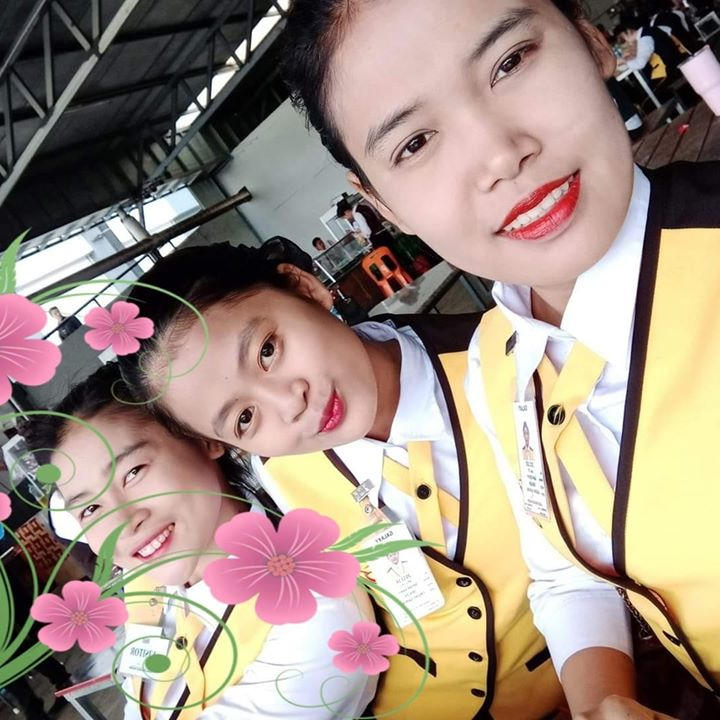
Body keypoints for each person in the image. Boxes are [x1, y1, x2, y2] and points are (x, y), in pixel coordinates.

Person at [280, 0, 720, 718]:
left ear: (593, 43)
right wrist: (605, 702)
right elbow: (565, 574)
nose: (499, 153)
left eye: (510, 61)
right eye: (415, 143)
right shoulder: (499, 360)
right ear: (381, 205)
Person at [118, 242, 566, 720]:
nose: (289, 402)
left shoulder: (515, 369)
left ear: (305, 288)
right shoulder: (280, 470)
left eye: (268, 351)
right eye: (244, 418)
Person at [25, 363, 376, 720]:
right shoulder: (145, 582)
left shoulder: (312, 614)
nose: (123, 524)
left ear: (201, 438)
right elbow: (138, 691)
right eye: (91, 509)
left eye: (133, 472)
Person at [617, 13, 689, 85]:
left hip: (676, 68)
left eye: (623, 40)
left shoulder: (645, 39)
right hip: (679, 61)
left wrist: (623, 61)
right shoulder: (647, 30)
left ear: (629, 32)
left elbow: (640, 64)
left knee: (652, 86)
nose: (627, 42)